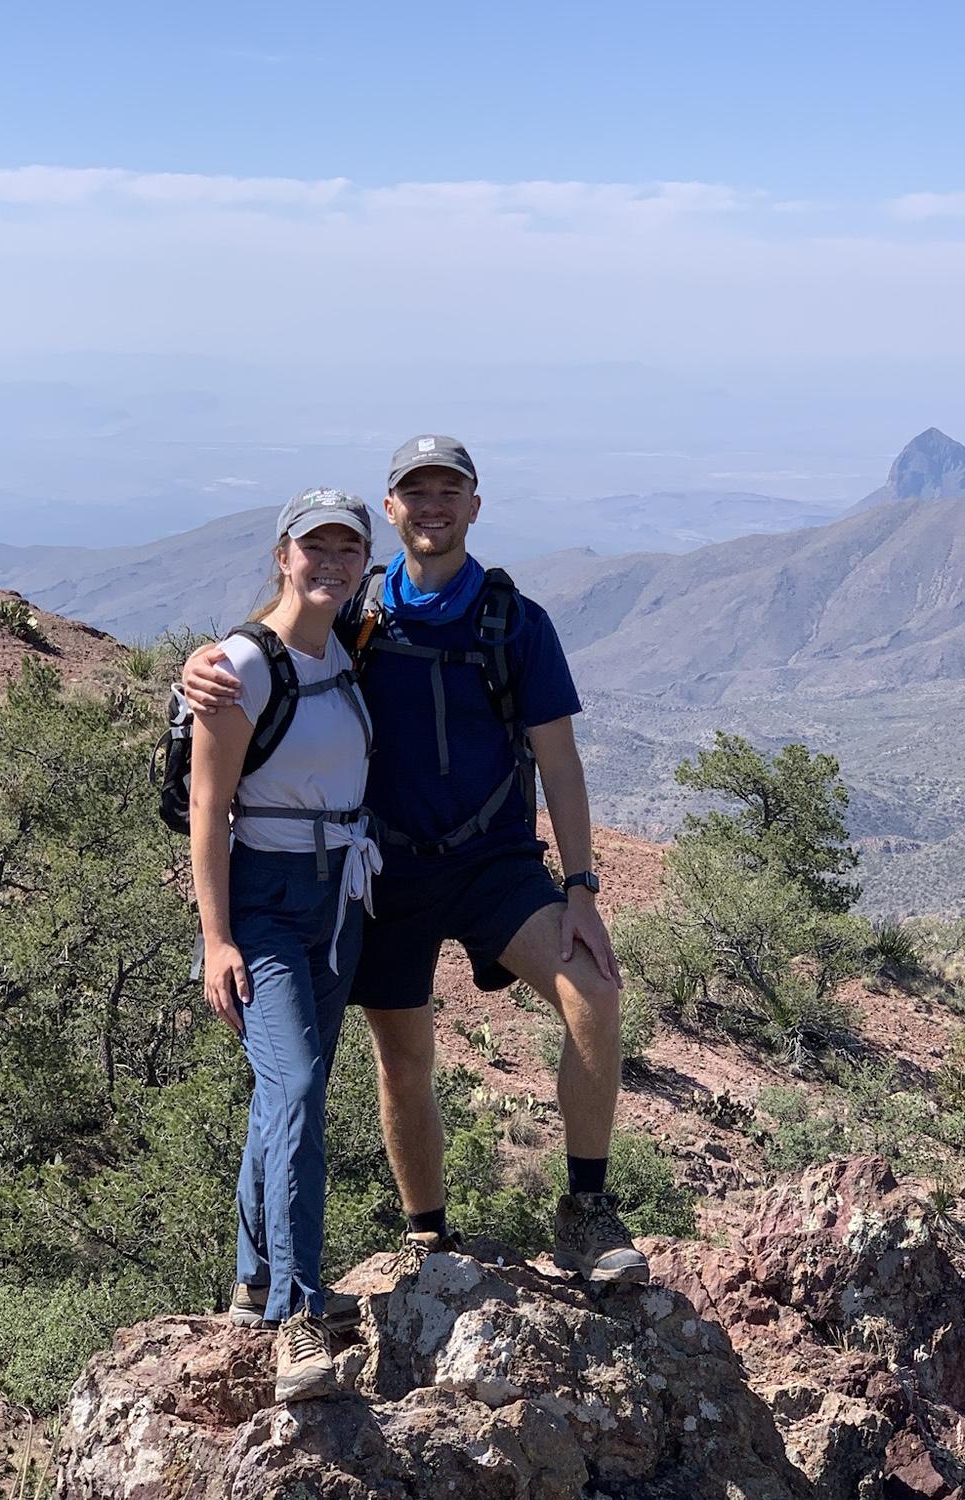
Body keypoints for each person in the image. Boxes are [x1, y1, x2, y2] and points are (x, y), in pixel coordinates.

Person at [184, 436, 649, 1285]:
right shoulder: (360, 617)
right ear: (391, 509)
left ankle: (584, 1211)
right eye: (415, 491)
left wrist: (580, 887)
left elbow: (562, 763)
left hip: (496, 862)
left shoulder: (516, 622)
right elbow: (275, 645)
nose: (432, 505)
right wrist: (203, 664)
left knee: (594, 994)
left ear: (475, 506)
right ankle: (428, 1233)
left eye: (450, 490)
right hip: (386, 873)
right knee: (403, 1062)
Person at [190, 487, 380, 1401]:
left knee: (286, 1092)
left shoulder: (349, 644)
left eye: (349, 549)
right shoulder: (241, 666)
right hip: (262, 902)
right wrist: (217, 938)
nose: (332, 564)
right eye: (316, 549)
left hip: (338, 899)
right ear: (282, 555)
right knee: (299, 1085)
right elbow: (206, 809)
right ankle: (297, 1319)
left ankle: (255, 1276)